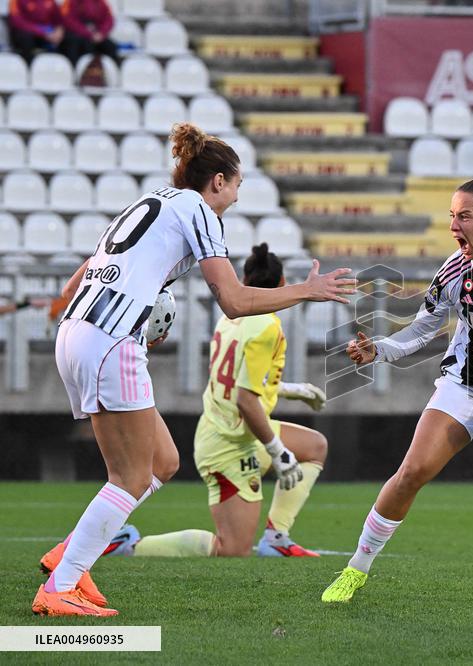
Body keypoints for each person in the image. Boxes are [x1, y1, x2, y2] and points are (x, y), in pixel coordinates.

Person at [31, 123, 357, 617]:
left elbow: (80, 276)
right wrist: (306, 292)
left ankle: (70, 554)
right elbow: (234, 300)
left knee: (162, 461)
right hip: (110, 339)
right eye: (239, 183)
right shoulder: (199, 208)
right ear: (219, 182)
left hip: (82, 332)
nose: (238, 193)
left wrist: (124, 312)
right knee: (130, 476)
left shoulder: (150, 202)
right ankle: (60, 587)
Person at [320, 178, 473, 612]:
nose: (455, 224)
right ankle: (355, 568)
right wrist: (379, 349)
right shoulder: (453, 271)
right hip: (464, 384)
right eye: (452, 215)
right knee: (412, 471)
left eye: (465, 216)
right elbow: (420, 331)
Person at [63, 243, 331, 561]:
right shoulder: (267, 326)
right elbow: (245, 399)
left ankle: (277, 536)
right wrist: (278, 451)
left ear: (244, 279)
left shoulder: (232, 317)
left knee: (314, 445)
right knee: (232, 550)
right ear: (283, 284)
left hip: (235, 429)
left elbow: (233, 381)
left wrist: (290, 389)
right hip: (229, 441)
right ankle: (127, 544)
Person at [59, 0, 117, 65]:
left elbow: (108, 19)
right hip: (77, 34)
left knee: (111, 47)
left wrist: (101, 33)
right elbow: (68, 20)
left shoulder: (101, 2)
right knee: (80, 45)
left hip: (96, 34)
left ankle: (110, 71)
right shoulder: (69, 2)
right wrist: (87, 33)